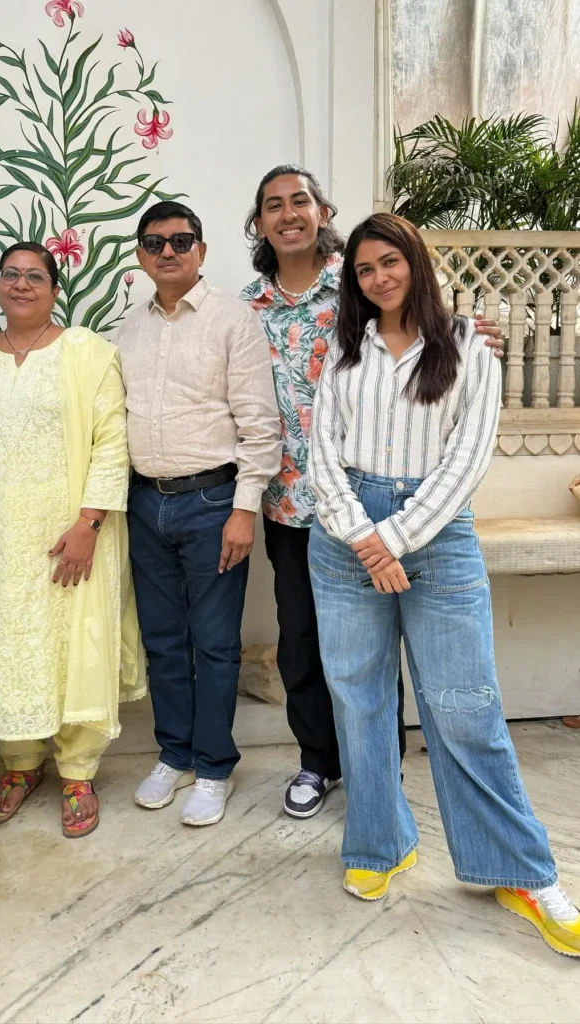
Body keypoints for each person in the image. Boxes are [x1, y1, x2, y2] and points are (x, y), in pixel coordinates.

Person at [307, 211, 580, 957]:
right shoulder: (342, 352)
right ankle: (377, 845)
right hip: (342, 541)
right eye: (363, 270)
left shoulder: (469, 349)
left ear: (415, 262)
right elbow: (319, 453)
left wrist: (392, 537)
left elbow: (465, 461)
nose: (378, 278)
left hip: (435, 537)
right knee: (359, 704)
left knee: (463, 708)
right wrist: (364, 538)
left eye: (388, 262)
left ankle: (520, 872)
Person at [241, 165, 504, 820]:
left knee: (384, 662)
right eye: (272, 205)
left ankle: (377, 773)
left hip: (382, 505)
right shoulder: (246, 308)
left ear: (321, 211)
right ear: (259, 223)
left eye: (299, 200)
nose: (287, 213)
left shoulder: (357, 287)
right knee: (303, 645)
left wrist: (465, 330)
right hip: (293, 503)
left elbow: (420, 325)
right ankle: (316, 763)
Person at [0, 242, 144, 838]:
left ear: (54, 287)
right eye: (9, 274)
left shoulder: (88, 353)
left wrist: (89, 524)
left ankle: (78, 771)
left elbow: (111, 443)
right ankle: (18, 766)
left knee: (73, 644)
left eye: (34, 276)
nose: (20, 285)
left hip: (72, 532)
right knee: (6, 646)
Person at [117, 201, 281, 827]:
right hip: (145, 501)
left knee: (214, 645)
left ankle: (213, 766)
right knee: (162, 641)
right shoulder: (130, 327)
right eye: (155, 243)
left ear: (202, 251)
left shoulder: (232, 320)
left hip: (214, 502)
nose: (168, 251)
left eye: (181, 241)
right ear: (141, 255)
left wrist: (244, 511)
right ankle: (174, 752)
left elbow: (260, 426)